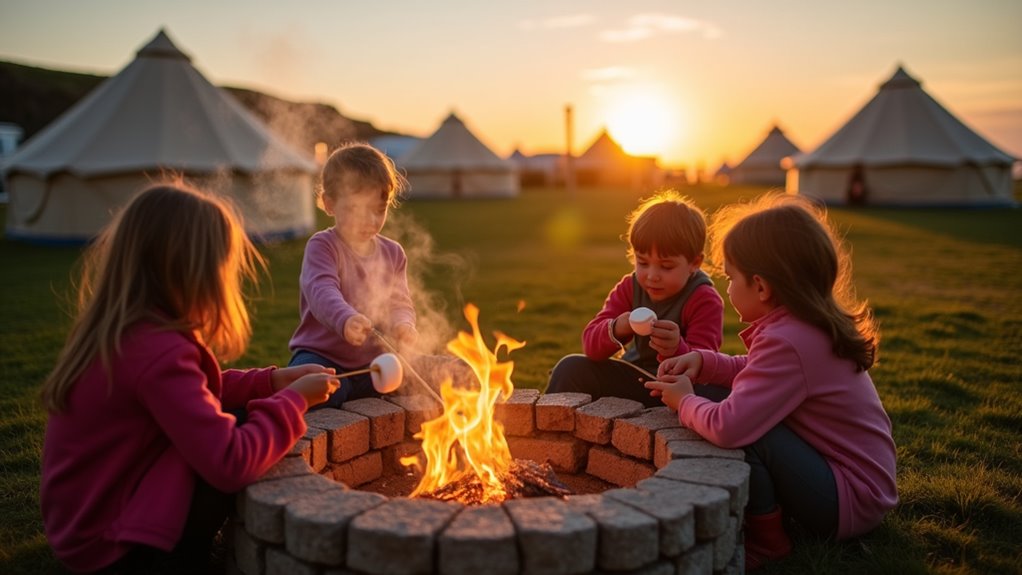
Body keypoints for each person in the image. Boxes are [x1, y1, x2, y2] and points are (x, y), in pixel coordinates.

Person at [40, 183, 340, 574]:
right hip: (114, 548)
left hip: (87, 523)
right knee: (243, 431)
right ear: (191, 272)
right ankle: (181, 558)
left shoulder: (130, 330)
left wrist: (272, 381)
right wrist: (293, 401)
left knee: (232, 417)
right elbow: (229, 462)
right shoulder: (157, 353)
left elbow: (197, 390)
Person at [645, 194, 898, 570]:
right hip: (856, 485)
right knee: (729, 398)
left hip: (848, 500)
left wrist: (684, 401)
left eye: (731, 278)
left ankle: (768, 541)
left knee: (750, 429)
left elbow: (730, 427)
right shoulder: (803, 325)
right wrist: (704, 362)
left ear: (761, 287)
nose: (727, 288)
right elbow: (756, 371)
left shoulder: (789, 341)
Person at [288, 143, 464, 406]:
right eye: (355, 210)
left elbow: (399, 302)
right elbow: (321, 291)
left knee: (438, 374)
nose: (368, 221)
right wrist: (345, 319)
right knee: (316, 390)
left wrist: (403, 325)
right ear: (329, 204)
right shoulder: (323, 246)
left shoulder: (392, 252)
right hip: (323, 357)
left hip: (377, 363)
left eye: (377, 210)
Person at [546, 191, 724, 407]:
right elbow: (591, 346)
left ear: (695, 263)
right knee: (570, 368)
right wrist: (617, 327)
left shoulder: (704, 299)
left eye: (666, 266)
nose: (652, 276)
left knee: (721, 389)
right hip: (634, 378)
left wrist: (677, 348)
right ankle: (547, 430)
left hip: (675, 390)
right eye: (643, 263)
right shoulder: (630, 287)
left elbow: (704, 366)